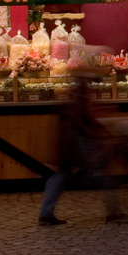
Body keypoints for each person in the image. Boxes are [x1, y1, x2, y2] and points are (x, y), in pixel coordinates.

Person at [39, 71, 121, 226]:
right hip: (79, 142)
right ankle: (113, 210)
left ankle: (45, 213)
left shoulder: (72, 92)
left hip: (68, 143)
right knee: (101, 172)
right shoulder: (82, 94)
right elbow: (87, 116)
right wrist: (102, 130)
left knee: (61, 175)